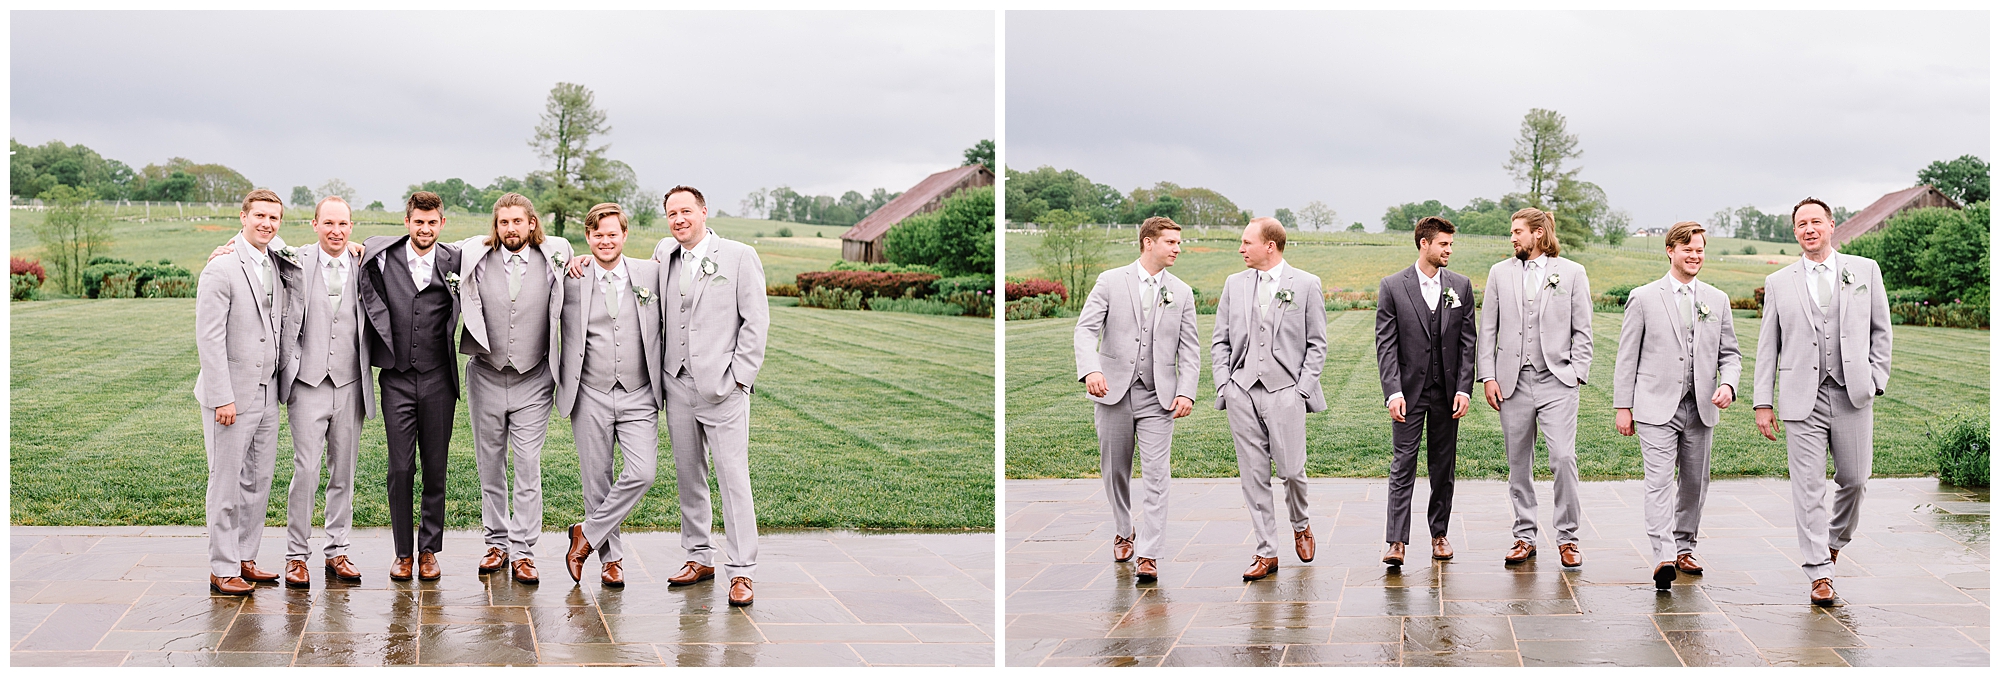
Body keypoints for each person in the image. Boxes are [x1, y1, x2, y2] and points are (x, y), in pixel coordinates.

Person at [1753, 197, 1891, 606]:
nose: (1809, 229)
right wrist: (1763, 401)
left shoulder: (1864, 270)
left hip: (1853, 393)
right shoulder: (1780, 283)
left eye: (1816, 221)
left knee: (1855, 480)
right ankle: (1818, 572)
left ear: (1832, 225)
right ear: (1794, 232)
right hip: (1801, 398)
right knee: (1808, 487)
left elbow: (1881, 331)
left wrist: (1876, 380)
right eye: (1801, 224)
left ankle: (1832, 541)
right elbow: (1767, 347)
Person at [655, 186, 770, 606]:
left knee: (733, 478)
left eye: (686, 210)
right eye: (672, 213)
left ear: (704, 212)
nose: (679, 219)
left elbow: (755, 322)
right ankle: (698, 556)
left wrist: (739, 378)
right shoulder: (664, 253)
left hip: (723, 388)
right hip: (677, 384)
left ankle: (742, 572)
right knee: (689, 476)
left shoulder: (739, 256)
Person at [1612, 221, 1741, 590]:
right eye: (1688, 250)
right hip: (1654, 407)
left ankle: (1685, 547)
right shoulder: (1644, 297)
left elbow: (1730, 354)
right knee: (1658, 482)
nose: (1695, 256)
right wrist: (1624, 406)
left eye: (1700, 250)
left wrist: (1729, 384)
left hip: (1701, 407)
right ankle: (1663, 555)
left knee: (1694, 484)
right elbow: (1626, 357)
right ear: (1670, 251)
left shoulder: (1716, 299)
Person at [1072, 216, 1200, 583]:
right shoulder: (1111, 281)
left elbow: (1190, 349)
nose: (1178, 248)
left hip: (1158, 398)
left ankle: (1149, 553)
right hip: (1111, 391)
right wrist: (1091, 370)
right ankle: (1123, 528)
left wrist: (1186, 390)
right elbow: (1085, 330)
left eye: (1179, 242)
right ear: (1148, 242)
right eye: (1171, 242)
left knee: (1158, 475)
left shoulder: (1183, 292)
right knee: (1115, 471)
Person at [454, 193, 572, 584]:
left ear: (532, 223)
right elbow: (425, 244)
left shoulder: (557, 254)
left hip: (534, 378)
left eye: (517, 222)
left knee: (527, 464)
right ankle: (496, 543)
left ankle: (523, 550)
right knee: (490, 463)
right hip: (486, 373)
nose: (510, 229)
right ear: (496, 225)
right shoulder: (474, 255)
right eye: (503, 223)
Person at [1210, 217, 1327, 581]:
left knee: (1292, 471)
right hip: (1241, 391)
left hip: (1285, 391)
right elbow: (1220, 340)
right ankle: (1266, 551)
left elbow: (1317, 344)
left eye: (1247, 243)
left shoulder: (1306, 285)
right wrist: (1224, 386)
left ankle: (1301, 523)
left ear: (1270, 246)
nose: (1241, 249)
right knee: (1253, 475)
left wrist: (1301, 391)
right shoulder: (1234, 284)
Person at [1478, 207, 1593, 568]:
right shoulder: (1499, 273)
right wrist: (1488, 376)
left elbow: (1583, 330)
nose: (1512, 238)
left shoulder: (1572, 273)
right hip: (1512, 381)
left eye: (1517, 232)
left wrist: (1577, 372)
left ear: (1539, 234)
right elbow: (1489, 329)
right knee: (1518, 464)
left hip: (1557, 381)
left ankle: (1568, 538)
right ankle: (1524, 536)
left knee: (1562, 457)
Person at [356, 191, 462, 581]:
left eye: (432, 222)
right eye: (419, 221)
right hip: (397, 379)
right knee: (400, 468)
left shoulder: (456, 259)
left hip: (439, 379)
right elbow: (335, 245)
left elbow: (504, 247)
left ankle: (429, 550)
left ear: (442, 223)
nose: (425, 228)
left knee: (436, 468)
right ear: (407, 222)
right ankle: (403, 552)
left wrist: (576, 255)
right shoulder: (380, 255)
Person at [194, 188, 294, 595]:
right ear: (243, 216)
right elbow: (209, 338)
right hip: (230, 397)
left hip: (268, 390)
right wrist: (222, 397)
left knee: (259, 479)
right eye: (260, 216)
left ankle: (245, 558)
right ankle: (222, 567)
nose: (267, 224)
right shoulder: (220, 269)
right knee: (226, 481)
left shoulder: (277, 259)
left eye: (274, 218)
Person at [559, 203, 663, 589]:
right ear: (587, 238)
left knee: (642, 472)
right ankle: (611, 559)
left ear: (625, 235)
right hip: (589, 392)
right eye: (597, 235)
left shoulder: (650, 272)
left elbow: (676, 244)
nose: (605, 241)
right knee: (596, 481)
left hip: (639, 392)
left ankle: (585, 533)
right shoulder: (572, 276)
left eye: (612, 234)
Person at [277, 196, 374, 588]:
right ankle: (296, 555)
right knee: (307, 470)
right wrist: (226, 245)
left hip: (351, 383)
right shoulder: (297, 260)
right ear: (314, 224)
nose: (336, 231)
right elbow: (258, 241)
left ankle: (338, 550)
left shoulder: (364, 261)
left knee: (344, 472)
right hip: (308, 383)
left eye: (343, 224)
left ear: (352, 227)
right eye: (328, 223)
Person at [1374, 216, 1476, 566]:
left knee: (1443, 467)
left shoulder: (1460, 286)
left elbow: (1467, 343)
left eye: (1451, 244)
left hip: (1448, 393)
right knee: (1403, 464)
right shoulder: (1392, 286)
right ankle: (1396, 542)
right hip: (1408, 393)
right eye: (1444, 244)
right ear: (1424, 244)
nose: (1449, 250)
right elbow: (1385, 345)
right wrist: (1393, 391)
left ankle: (1439, 535)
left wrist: (1465, 388)